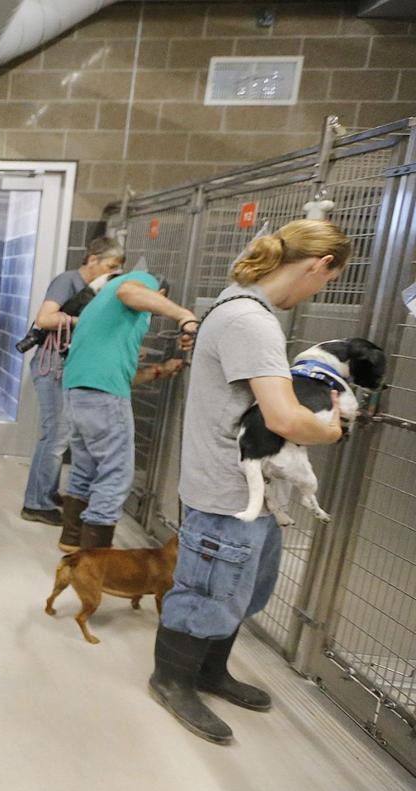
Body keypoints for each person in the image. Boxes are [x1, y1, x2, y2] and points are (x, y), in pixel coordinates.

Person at [150, 220, 348, 744]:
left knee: (240, 589)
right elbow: (283, 417)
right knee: (206, 591)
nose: (319, 291)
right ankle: (172, 680)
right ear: (319, 264)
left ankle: (210, 671)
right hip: (226, 489)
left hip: (245, 488)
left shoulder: (235, 304)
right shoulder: (251, 321)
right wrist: (328, 431)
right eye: (325, 281)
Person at [57, 265, 196, 553]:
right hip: (103, 394)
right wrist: (183, 315)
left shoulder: (101, 307)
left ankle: (71, 543)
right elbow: (130, 291)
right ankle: (96, 559)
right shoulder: (138, 282)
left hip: (77, 390)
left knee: (84, 467)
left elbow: (116, 371)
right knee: (116, 474)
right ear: (159, 293)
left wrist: (157, 370)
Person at [21, 236, 125, 526]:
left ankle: (46, 492)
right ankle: (36, 503)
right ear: (93, 259)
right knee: (55, 436)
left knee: (60, 436)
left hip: (69, 368)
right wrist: (89, 322)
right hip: (52, 367)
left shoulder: (99, 287)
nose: (113, 272)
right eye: (110, 265)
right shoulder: (67, 281)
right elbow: (45, 319)